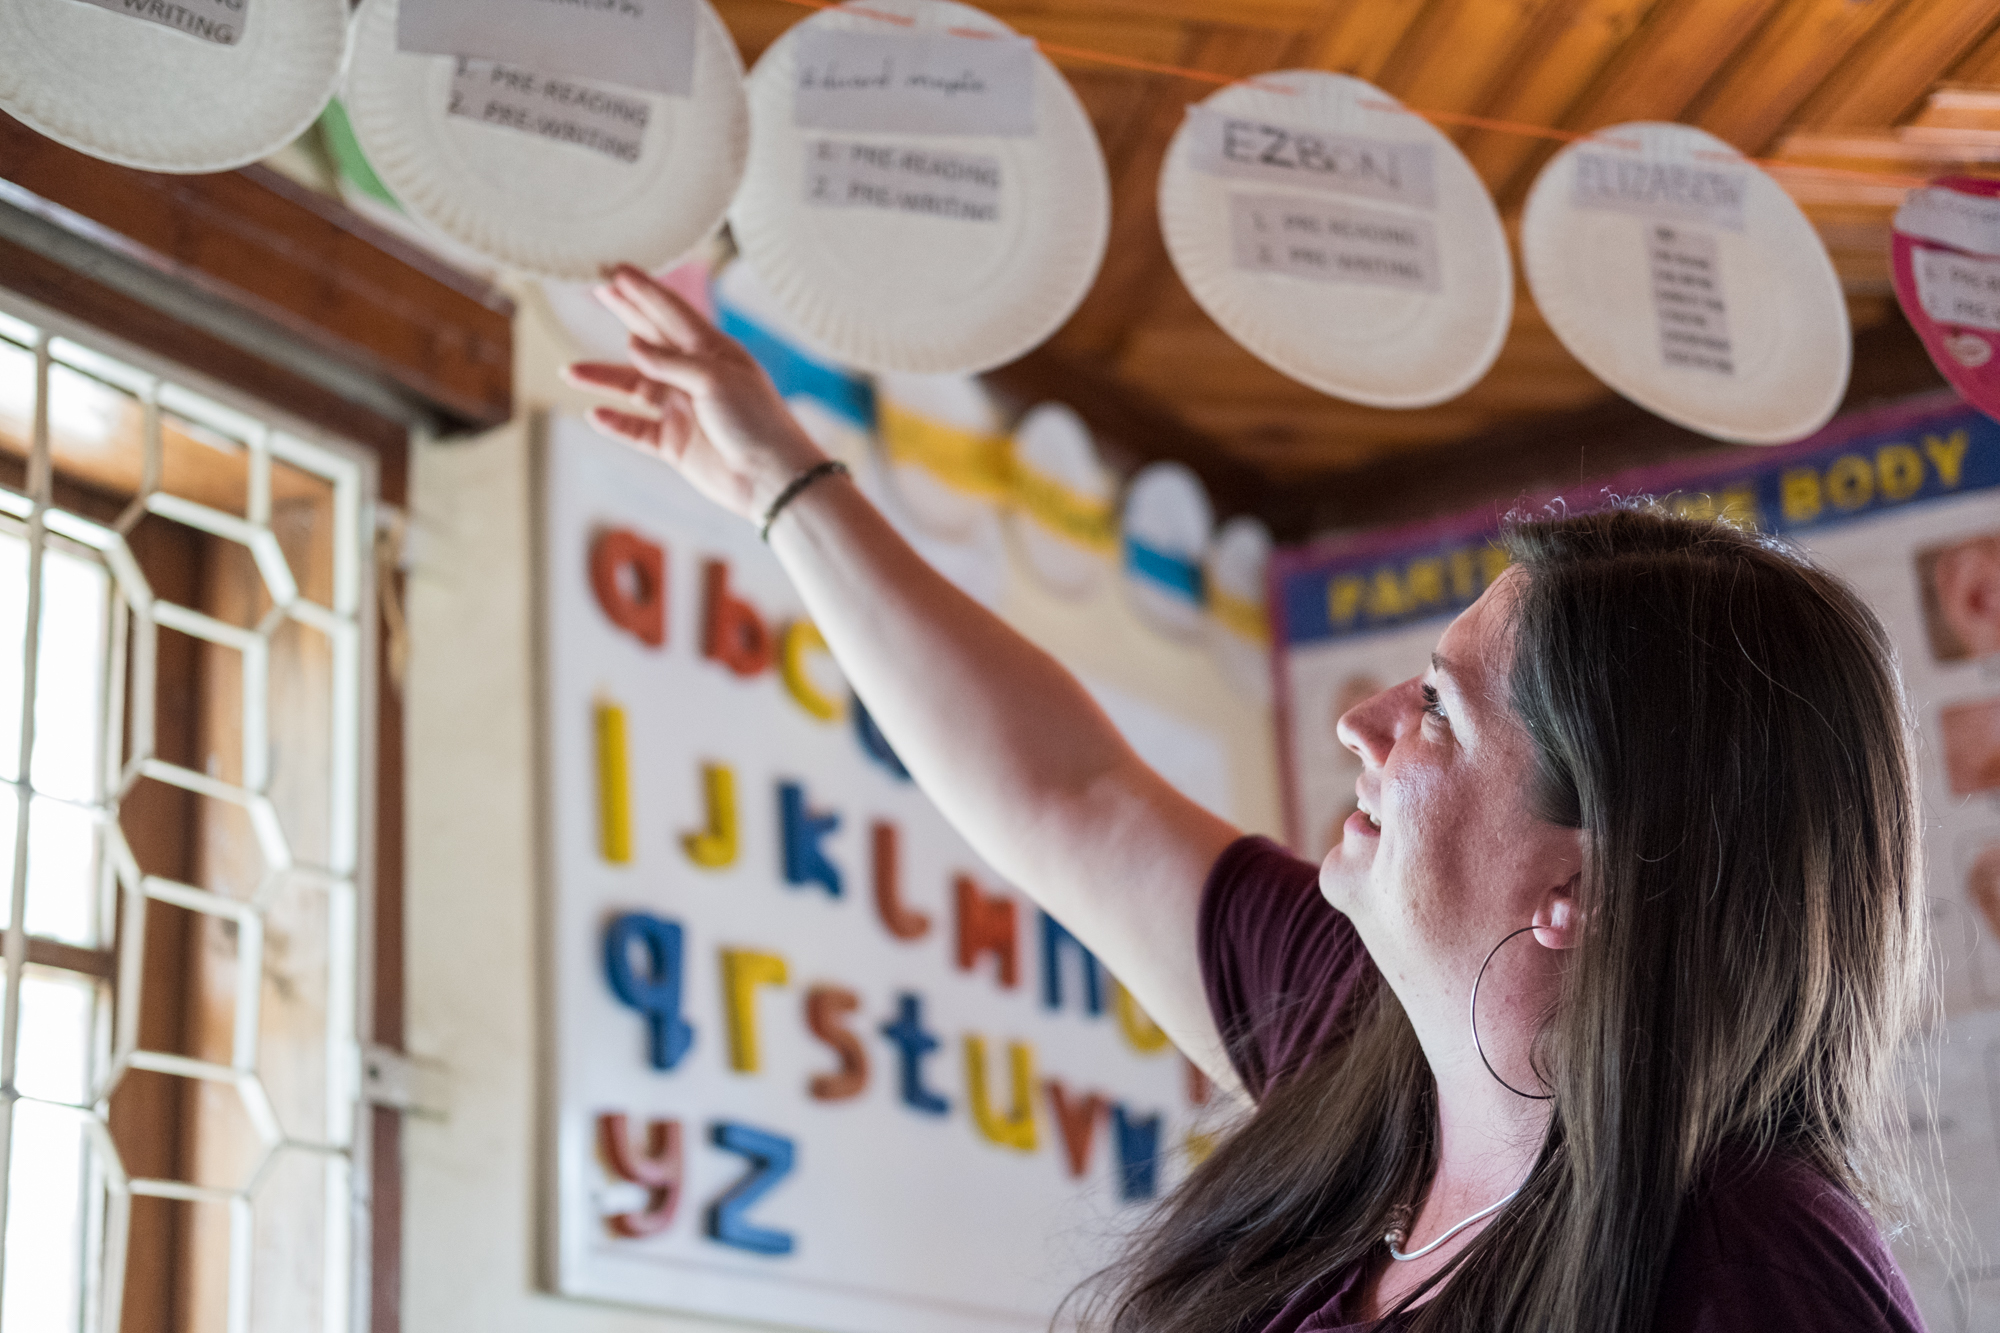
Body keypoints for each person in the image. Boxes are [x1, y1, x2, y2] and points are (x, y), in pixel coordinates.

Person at [565, 265, 1932, 1332]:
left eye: (1440, 710)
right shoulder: (1369, 1046)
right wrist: (782, 484)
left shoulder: (1757, 1276)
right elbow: (1069, 791)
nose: (1363, 725)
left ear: (1583, 876)